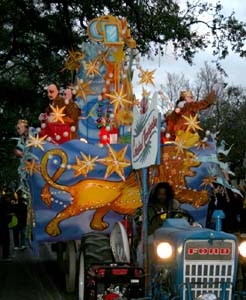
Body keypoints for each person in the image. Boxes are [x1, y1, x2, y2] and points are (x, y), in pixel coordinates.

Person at [0, 191, 14, 261]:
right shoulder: (3, 205)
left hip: (5, 224)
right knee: (5, 241)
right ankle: (5, 256)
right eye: (8, 197)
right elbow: (3, 215)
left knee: (6, 241)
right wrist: (9, 215)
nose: (10, 199)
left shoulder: (7, 204)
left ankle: (6, 254)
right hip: (3, 225)